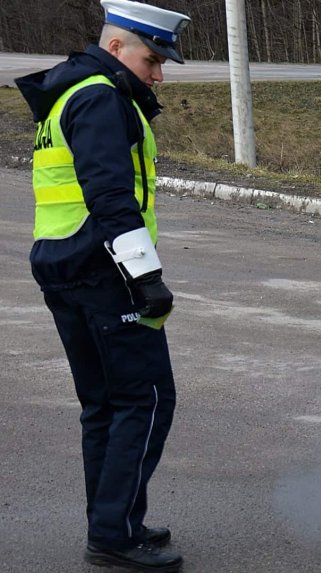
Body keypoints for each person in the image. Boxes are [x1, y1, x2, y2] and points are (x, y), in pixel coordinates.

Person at [15, 1, 190, 570]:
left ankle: (115, 523)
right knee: (146, 400)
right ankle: (114, 534)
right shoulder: (99, 97)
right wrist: (146, 275)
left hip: (65, 264)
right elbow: (110, 195)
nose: (158, 73)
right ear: (116, 47)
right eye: (152, 59)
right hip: (103, 271)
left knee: (105, 406)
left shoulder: (68, 93)